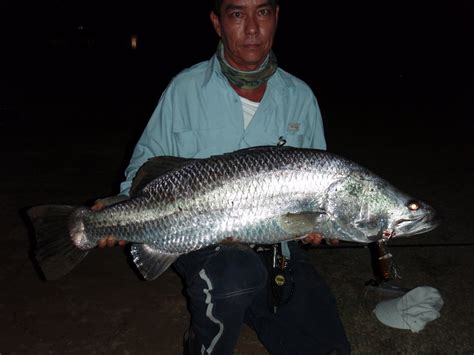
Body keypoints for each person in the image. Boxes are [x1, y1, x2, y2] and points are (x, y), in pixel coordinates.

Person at [95, 0, 351, 353]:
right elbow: (146, 166)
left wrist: (324, 227)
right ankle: (204, 337)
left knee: (327, 347)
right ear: (217, 23)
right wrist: (120, 209)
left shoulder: (300, 98)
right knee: (235, 275)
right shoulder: (184, 89)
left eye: (262, 12)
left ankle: (246, 304)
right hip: (193, 235)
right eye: (236, 14)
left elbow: (320, 188)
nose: (251, 28)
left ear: (276, 18)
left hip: (275, 248)